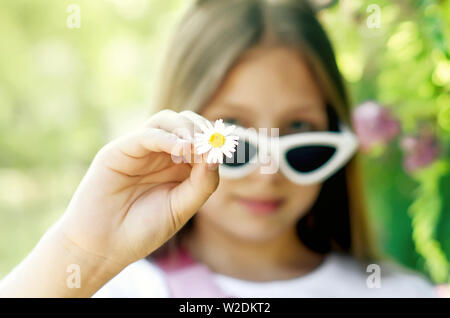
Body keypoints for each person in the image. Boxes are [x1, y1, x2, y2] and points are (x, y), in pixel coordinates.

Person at [0, 0, 437, 298]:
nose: (268, 171)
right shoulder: (112, 287)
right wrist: (80, 255)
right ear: (178, 134)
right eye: (232, 135)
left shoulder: (400, 291)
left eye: (300, 131)